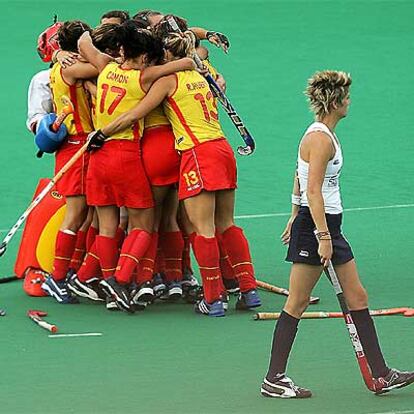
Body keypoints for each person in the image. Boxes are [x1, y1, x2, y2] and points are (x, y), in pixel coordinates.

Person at [261, 70, 414, 398]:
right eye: (346, 97)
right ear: (334, 102)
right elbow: (313, 190)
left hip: (326, 226)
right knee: (297, 300)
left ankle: (383, 373)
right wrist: (321, 236)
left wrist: (294, 215)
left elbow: (299, 177)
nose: (349, 101)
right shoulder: (319, 138)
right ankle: (274, 378)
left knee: (357, 296)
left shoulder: (326, 135)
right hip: (317, 228)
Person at [87, 30, 261, 317]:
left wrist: (101, 132)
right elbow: (201, 59)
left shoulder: (167, 79)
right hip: (223, 150)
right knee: (226, 224)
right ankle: (248, 289)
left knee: (201, 228)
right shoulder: (205, 75)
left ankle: (214, 299)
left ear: (166, 55)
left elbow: (134, 114)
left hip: (196, 153)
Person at [76, 22, 195, 312]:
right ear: (143, 57)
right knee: (143, 224)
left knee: (107, 225)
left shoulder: (104, 65)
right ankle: (119, 280)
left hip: (97, 157)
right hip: (124, 154)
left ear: (121, 50)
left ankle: (103, 286)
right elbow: (187, 61)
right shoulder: (142, 77)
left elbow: (82, 41)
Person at [41, 20, 99, 303]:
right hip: (75, 145)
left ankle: (73, 272)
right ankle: (57, 277)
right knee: (75, 214)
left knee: (87, 214)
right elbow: (105, 67)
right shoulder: (70, 68)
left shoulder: (64, 65)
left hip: (85, 144)